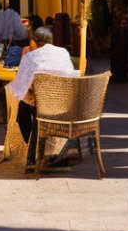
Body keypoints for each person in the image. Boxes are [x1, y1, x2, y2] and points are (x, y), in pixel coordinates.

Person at [8, 26, 78, 168]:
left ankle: (32, 155)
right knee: (28, 106)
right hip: (63, 104)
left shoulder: (30, 57)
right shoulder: (63, 53)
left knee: (23, 109)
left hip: (42, 106)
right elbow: (70, 76)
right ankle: (50, 151)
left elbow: (20, 86)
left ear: (34, 42)